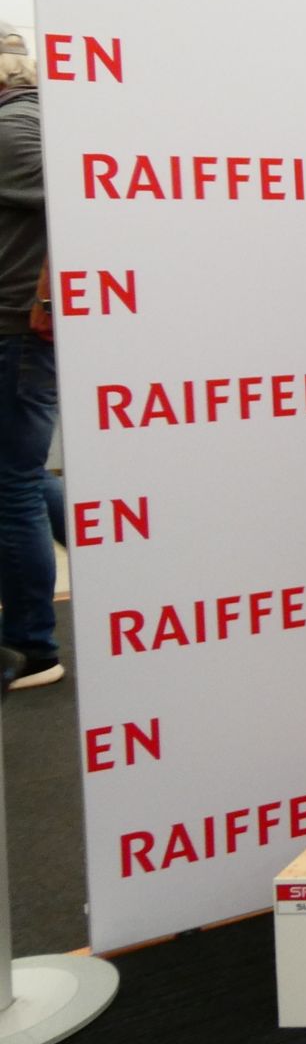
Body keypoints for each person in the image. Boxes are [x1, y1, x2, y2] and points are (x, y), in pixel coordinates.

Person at [0, 35, 64, 690]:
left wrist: (46, 296)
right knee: (21, 476)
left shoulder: (16, 125)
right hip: (20, 327)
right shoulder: (28, 120)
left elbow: (74, 211)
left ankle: (32, 648)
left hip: (18, 329)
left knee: (13, 483)